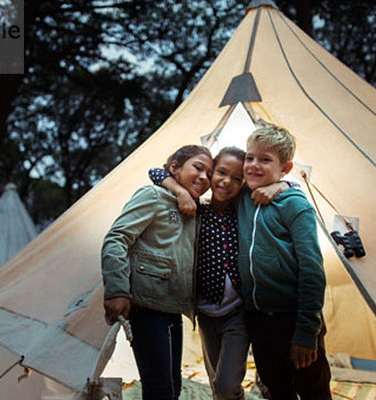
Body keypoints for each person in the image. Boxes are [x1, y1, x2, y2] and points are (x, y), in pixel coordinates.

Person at [149, 147, 288, 400]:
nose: (227, 181)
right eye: (221, 173)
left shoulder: (244, 210)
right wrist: (180, 191)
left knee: (226, 385)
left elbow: (281, 185)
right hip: (206, 314)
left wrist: (283, 185)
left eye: (237, 178)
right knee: (217, 387)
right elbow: (155, 172)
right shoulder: (197, 211)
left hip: (237, 314)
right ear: (211, 175)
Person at [101, 144, 213, 400]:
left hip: (172, 309)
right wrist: (117, 289)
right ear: (174, 167)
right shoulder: (153, 196)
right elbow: (116, 239)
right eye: (198, 167)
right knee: (159, 389)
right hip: (147, 306)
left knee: (171, 387)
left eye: (210, 173)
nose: (204, 177)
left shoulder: (195, 209)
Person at [238, 123, 331, 400]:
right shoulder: (241, 197)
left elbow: (312, 270)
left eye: (265, 159)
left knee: (314, 391)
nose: (253, 165)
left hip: (294, 319)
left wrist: (306, 331)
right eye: (249, 157)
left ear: (285, 168)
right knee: (277, 391)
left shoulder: (295, 205)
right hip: (258, 322)